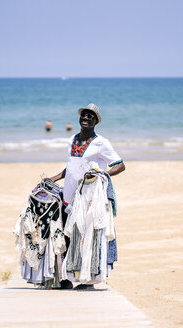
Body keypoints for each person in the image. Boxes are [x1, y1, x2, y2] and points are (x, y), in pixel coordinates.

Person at [48, 103, 125, 290]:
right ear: (80, 117)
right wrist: (55, 177)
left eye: (91, 116)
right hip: (68, 198)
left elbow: (119, 165)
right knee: (67, 238)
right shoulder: (72, 140)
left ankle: (88, 281)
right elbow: (73, 165)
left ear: (96, 121)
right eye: (84, 115)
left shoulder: (101, 143)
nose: (86, 118)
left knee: (87, 239)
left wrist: (103, 175)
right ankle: (65, 279)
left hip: (88, 199)